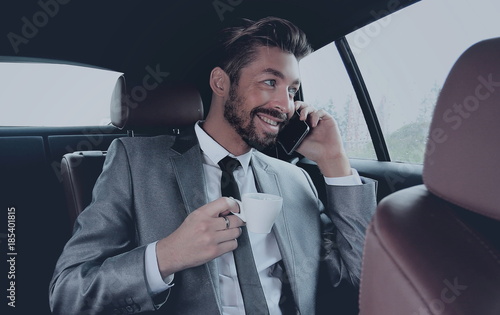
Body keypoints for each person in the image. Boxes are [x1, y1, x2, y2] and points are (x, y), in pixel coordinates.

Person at [49, 16, 377, 314]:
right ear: (221, 83)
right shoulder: (135, 163)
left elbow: (363, 281)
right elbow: (69, 294)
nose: (285, 105)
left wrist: (335, 163)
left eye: (292, 90)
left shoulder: (295, 180)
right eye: (269, 83)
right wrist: (166, 256)